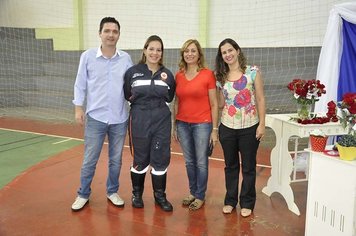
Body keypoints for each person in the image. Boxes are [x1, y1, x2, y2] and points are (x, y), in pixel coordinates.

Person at [71, 17, 133, 211]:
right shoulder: (87, 56)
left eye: (115, 31)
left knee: (116, 159)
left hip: (119, 118)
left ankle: (112, 191)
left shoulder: (126, 58)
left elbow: (131, 86)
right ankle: (83, 194)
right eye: (107, 31)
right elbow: (80, 83)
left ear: (119, 35)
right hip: (96, 117)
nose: (111, 35)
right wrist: (78, 107)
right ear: (100, 33)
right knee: (90, 158)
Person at [123, 35, 176, 212]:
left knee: (160, 159)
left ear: (162, 53)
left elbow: (169, 97)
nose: (155, 53)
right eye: (151, 49)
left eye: (158, 50)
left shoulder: (167, 75)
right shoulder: (133, 72)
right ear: (145, 50)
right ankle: (137, 194)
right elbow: (127, 94)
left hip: (161, 121)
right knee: (140, 158)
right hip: (139, 119)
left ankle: (159, 196)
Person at [215, 38, 266, 217]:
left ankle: (247, 202)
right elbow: (221, 104)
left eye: (230, 50)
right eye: (224, 53)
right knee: (230, 166)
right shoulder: (221, 77)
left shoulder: (252, 72)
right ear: (221, 57)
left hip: (250, 127)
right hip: (227, 127)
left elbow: (260, 99)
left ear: (237, 50)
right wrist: (216, 88)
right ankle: (230, 201)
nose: (228, 54)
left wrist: (262, 124)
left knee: (249, 167)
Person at [173, 39, 218, 211]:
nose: (189, 54)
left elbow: (214, 103)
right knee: (189, 161)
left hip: (202, 124)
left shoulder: (207, 74)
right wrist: (175, 125)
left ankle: (200, 195)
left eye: (193, 51)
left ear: (199, 54)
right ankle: (193, 191)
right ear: (183, 54)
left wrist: (214, 130)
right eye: (186, 51)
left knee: (201, 162)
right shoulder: (179, 75)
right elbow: (177, 102)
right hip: (183, 124)